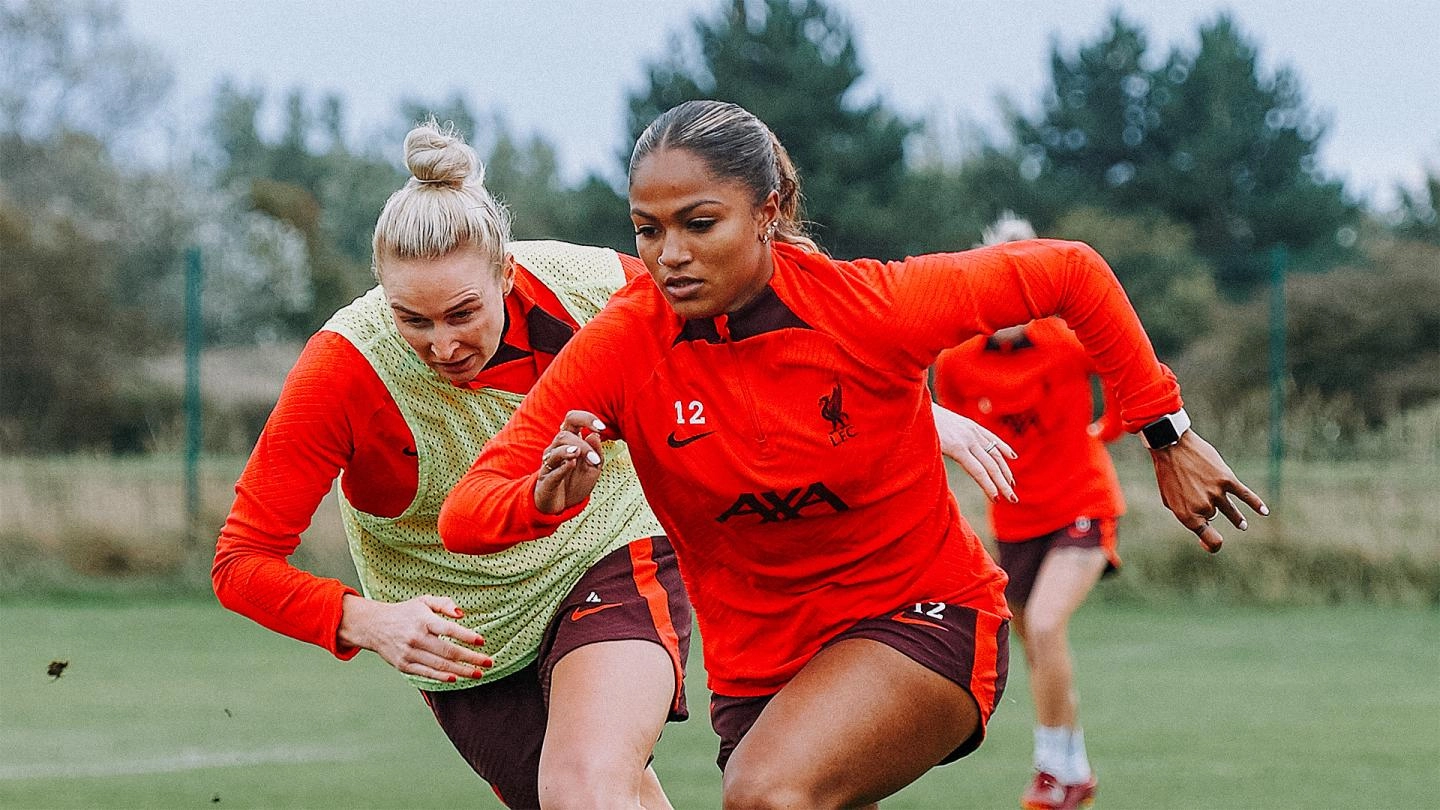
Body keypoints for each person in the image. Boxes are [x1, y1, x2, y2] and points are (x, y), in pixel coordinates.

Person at [438, 100, 1266, 809]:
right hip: (761, 678)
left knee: (764, 794)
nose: (669, 255)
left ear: (767, 210)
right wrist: (544, 500)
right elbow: (466, 513)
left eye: (699, 224)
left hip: (924, 620)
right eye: (647, 231)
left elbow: (1071, 273)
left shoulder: (870, 308)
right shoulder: (623, 345)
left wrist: (1167, 430)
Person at [212, 120, 694, 810]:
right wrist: (371, 622)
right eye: (414, 320)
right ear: (381, 293)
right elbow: (241, 562)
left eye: (463, 312)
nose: (442, 344)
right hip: (464, 639)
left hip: (606, 549)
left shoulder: (594, 289)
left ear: (506, 272)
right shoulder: (343, 369)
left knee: (583, 786)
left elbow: (722, 335)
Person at [933, 215, 1124, 810]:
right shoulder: (959, 360)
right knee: (1033, 644)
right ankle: (1076, 769)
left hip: (1082, 504)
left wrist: (1112, 426)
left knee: (1045, 624)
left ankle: (1051, 771)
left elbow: (1125, 362)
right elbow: (953, 430)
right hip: (1015, 520)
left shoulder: (1067, 340)